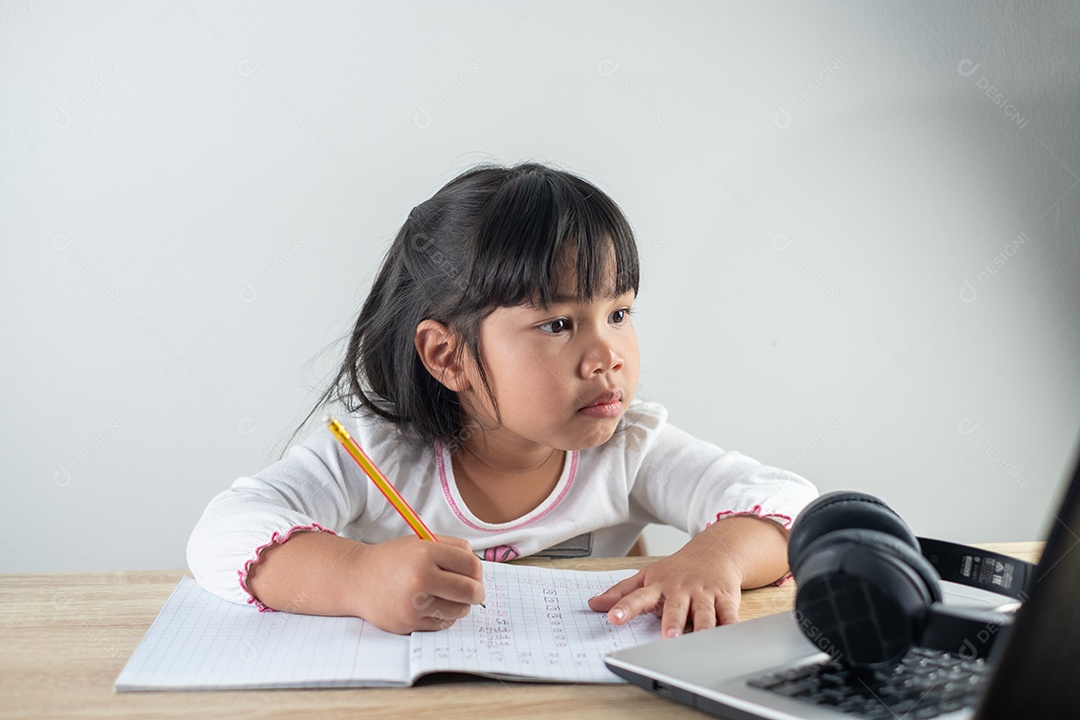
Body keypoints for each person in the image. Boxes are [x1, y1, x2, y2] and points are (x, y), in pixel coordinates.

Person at [187, 161, 818, 638]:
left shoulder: (632, 448)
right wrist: (357, 578)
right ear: (448, 356)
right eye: (558, 324)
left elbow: (798, 507)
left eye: (619, 312)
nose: (608, 355)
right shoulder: (379, 458)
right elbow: (221, 534)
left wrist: (718, 556)